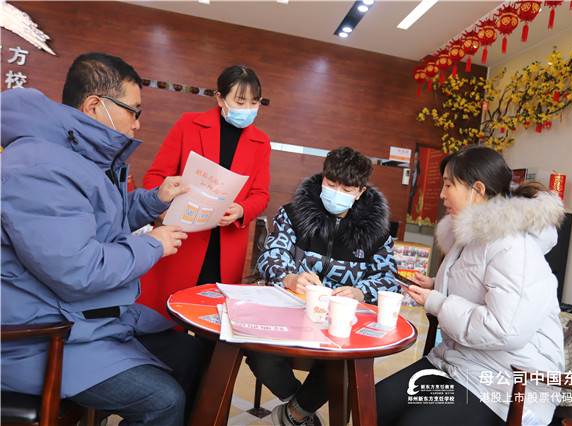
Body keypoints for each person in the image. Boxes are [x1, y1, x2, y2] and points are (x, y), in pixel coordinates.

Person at [1, 52, 206, 425]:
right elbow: (78, 269)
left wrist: (156, 199)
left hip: (86, 319)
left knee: (194, 355)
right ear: (95, 106)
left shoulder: (76, 157)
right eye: (134, 111)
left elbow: (104, 219)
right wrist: (154, 244)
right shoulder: (39, 168)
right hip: (44, 335)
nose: (138, 123)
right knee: (163, 400)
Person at [375, 146, 566, 425]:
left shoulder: (514, 246)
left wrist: (437, 302)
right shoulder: (470, 236)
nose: (442, 194)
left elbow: (505, 330)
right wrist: (435, 286)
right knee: (376, 402)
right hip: (459, 362)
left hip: (506, 381)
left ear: (477, 189)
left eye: (448, 185)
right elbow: (475, 289)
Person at [246, 146, 400, 426]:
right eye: (331, 184)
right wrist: (289, 277)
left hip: (342, 322)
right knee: (258, 354)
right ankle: (300, 410)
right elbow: (270, 257)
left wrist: (360, 292)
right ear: (321, 179)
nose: (336, 193)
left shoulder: (376, 231)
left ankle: (293, 415)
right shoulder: (293, 214)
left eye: (347, 189)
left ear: (360, 192)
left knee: (346, 360)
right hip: (291, 313)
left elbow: (389, 279)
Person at [138, 65, 271, 317]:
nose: (247, 109)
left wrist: (241, 210)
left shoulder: (261, 142)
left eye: (254, 102)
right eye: (240, 101)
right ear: (220, 98)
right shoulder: (188, 124)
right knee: (168, 314)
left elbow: (261, 194)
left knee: (212, 318)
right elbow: (155, 176)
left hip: (226, 245)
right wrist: (164, 209)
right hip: (183, 237)